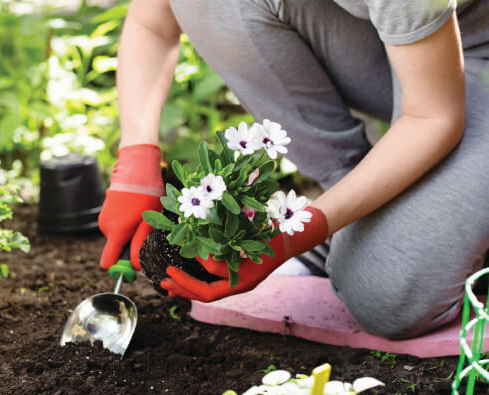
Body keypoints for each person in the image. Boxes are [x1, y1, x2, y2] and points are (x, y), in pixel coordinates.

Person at [98, 0, 489, 340]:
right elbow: (153, 20)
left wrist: (291, 239)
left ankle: (377, 231)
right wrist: (135, 157)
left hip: (475, 58)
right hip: (401, 48)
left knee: (386, 299)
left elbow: (432, 117)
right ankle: (359, 218)